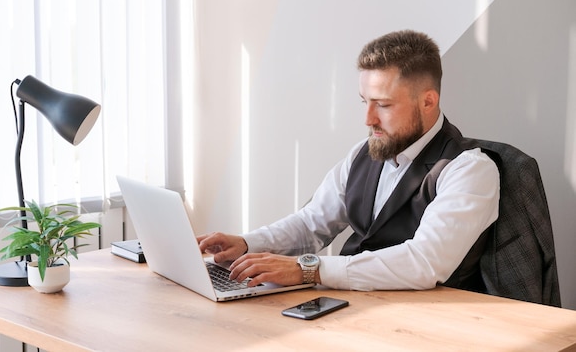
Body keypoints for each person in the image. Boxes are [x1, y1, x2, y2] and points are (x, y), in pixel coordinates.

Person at [197, 30, 500, 293]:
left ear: (428, 101)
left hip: (420, 323)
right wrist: (248, 243)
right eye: (364, 102)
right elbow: (311, 224)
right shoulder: (362, 154)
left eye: (383, 105)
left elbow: (424, 262)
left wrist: (309, 269)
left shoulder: (469, 170)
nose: (368, 119)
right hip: (350, 304)